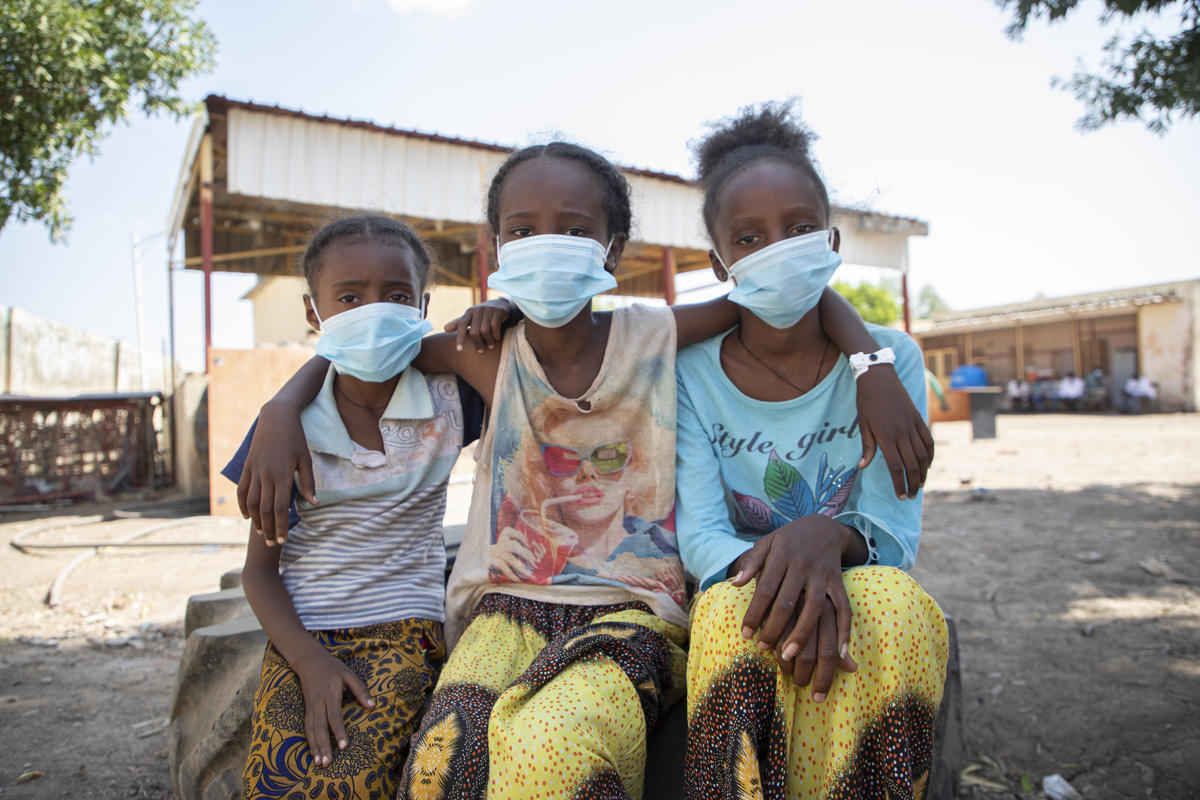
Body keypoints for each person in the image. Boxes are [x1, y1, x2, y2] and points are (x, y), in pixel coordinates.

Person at [236, 141, 933, 800]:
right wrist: (282, 406)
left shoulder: (652, 337)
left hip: (630, 610)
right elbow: (371, 343)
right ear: (496, 249)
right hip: (501, 611)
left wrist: (869, 360)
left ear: (613, 248)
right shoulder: (487, 355)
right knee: (440, 769)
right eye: (523, 231)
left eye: (574, 230)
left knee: (557, 745)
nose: (548, 246)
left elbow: (778, 291)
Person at [674, 103, 949, 799]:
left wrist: (826, 538)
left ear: (831, 239)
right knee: (730, 620)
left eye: (799, 229)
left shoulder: (893, 360)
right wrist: (787, 572)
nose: (778, 249)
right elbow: (702, 535)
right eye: (750, 238)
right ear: (720, 264)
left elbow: (893, 530)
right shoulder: (688, 371)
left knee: (895, 607)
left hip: (856, 570)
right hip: (742, 581)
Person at [222, 216, 485, 799]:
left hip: (408, 630)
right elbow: (259, 573)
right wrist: (308, 660)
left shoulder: (450, 397)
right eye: (349, 298)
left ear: (423, 305)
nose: (374, 312)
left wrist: (500, 312)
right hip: (304, 635)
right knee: (278, 783)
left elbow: (528, 355)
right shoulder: (283, 436)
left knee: (358, 780)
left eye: (397, 296)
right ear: (313, 311)